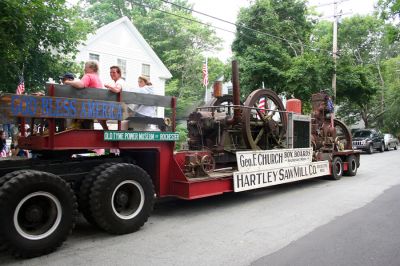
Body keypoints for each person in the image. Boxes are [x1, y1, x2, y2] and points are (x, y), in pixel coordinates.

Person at [64, 61, 108, 130]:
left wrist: (68, 82)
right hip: (97, 107)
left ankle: (70, 127)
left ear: (91, 68)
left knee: (65, 105)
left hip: (87, 107)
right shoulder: (97, 78)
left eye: (85, 67)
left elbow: (80, 85)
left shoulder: (88, 76)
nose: (84, 69)